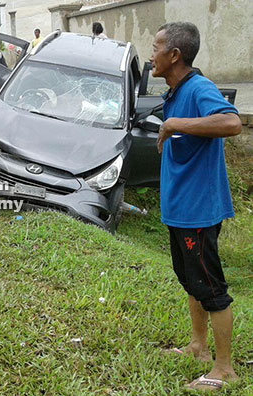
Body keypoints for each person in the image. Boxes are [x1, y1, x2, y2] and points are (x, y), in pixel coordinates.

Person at [152, 22, 241, 392]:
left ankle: (224, 369)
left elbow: (232, 122)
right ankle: (197, 347)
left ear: (175, 55)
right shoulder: (175, 90)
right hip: (180, 208)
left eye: (156, 46)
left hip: (198, 210)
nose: (150, 53)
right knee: (192, 281)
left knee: (210, 287)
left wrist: (175, 123)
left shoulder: (199, 88)